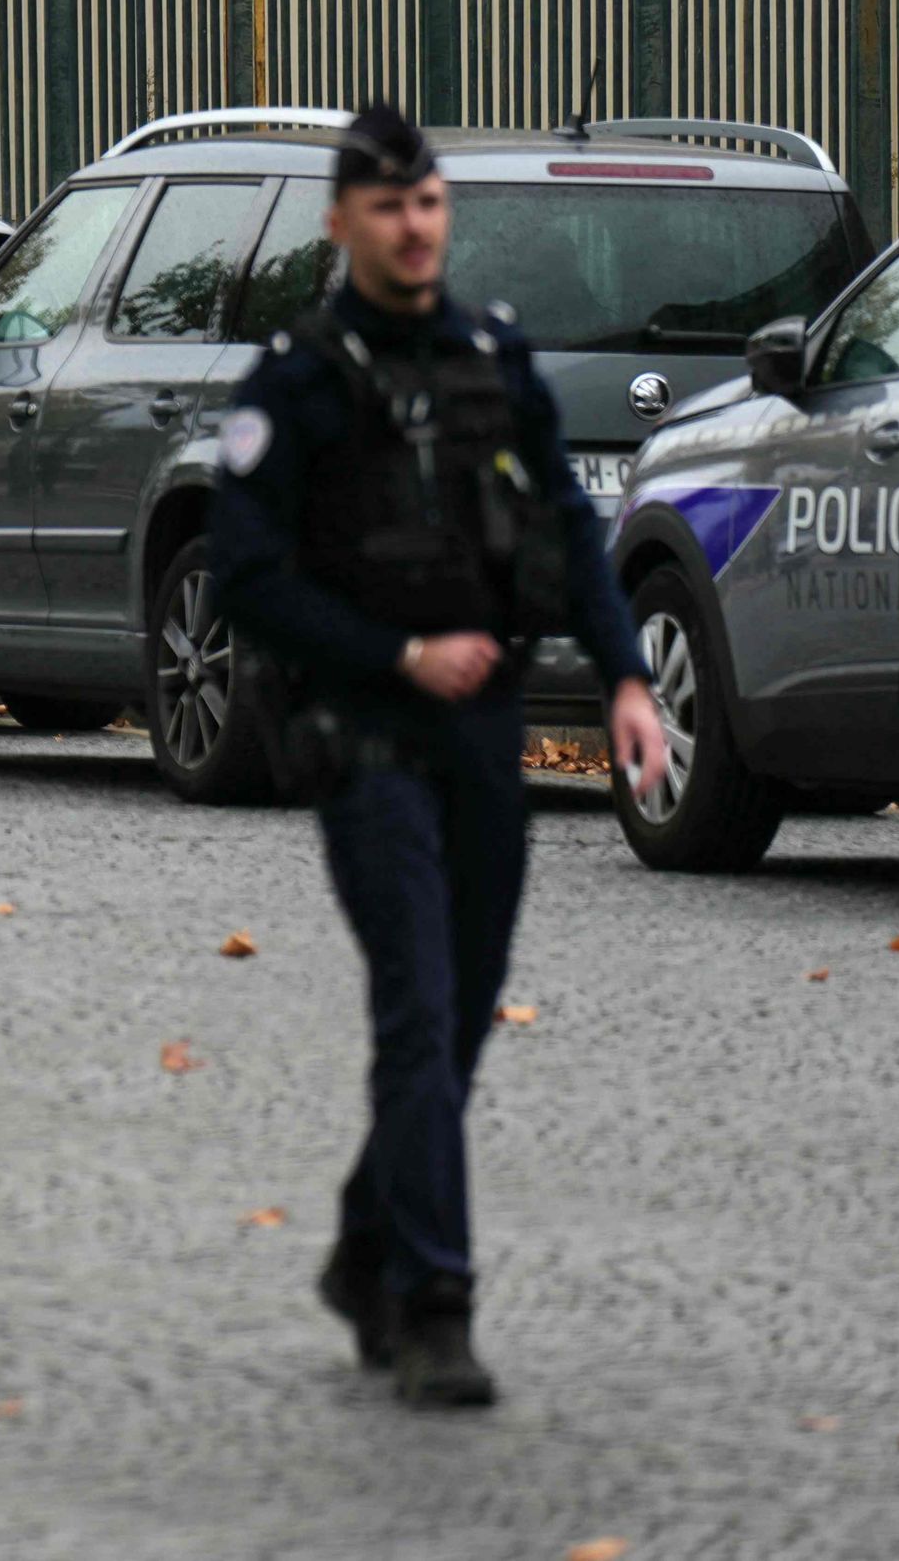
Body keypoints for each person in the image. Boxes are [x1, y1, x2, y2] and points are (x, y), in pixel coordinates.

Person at [210, 103, 674, 1412]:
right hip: (364, 735)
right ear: (341, 219)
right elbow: (245, 573)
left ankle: (366, 1242)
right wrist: (394, 653)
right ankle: (434, 1302)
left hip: (482, 737)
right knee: (416, 1003)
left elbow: (571, 529)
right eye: (387, 205)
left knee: (462, 1017)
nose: (414, 226)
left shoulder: (490, 356)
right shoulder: (295, 379)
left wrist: (630, 674)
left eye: (429, 204)